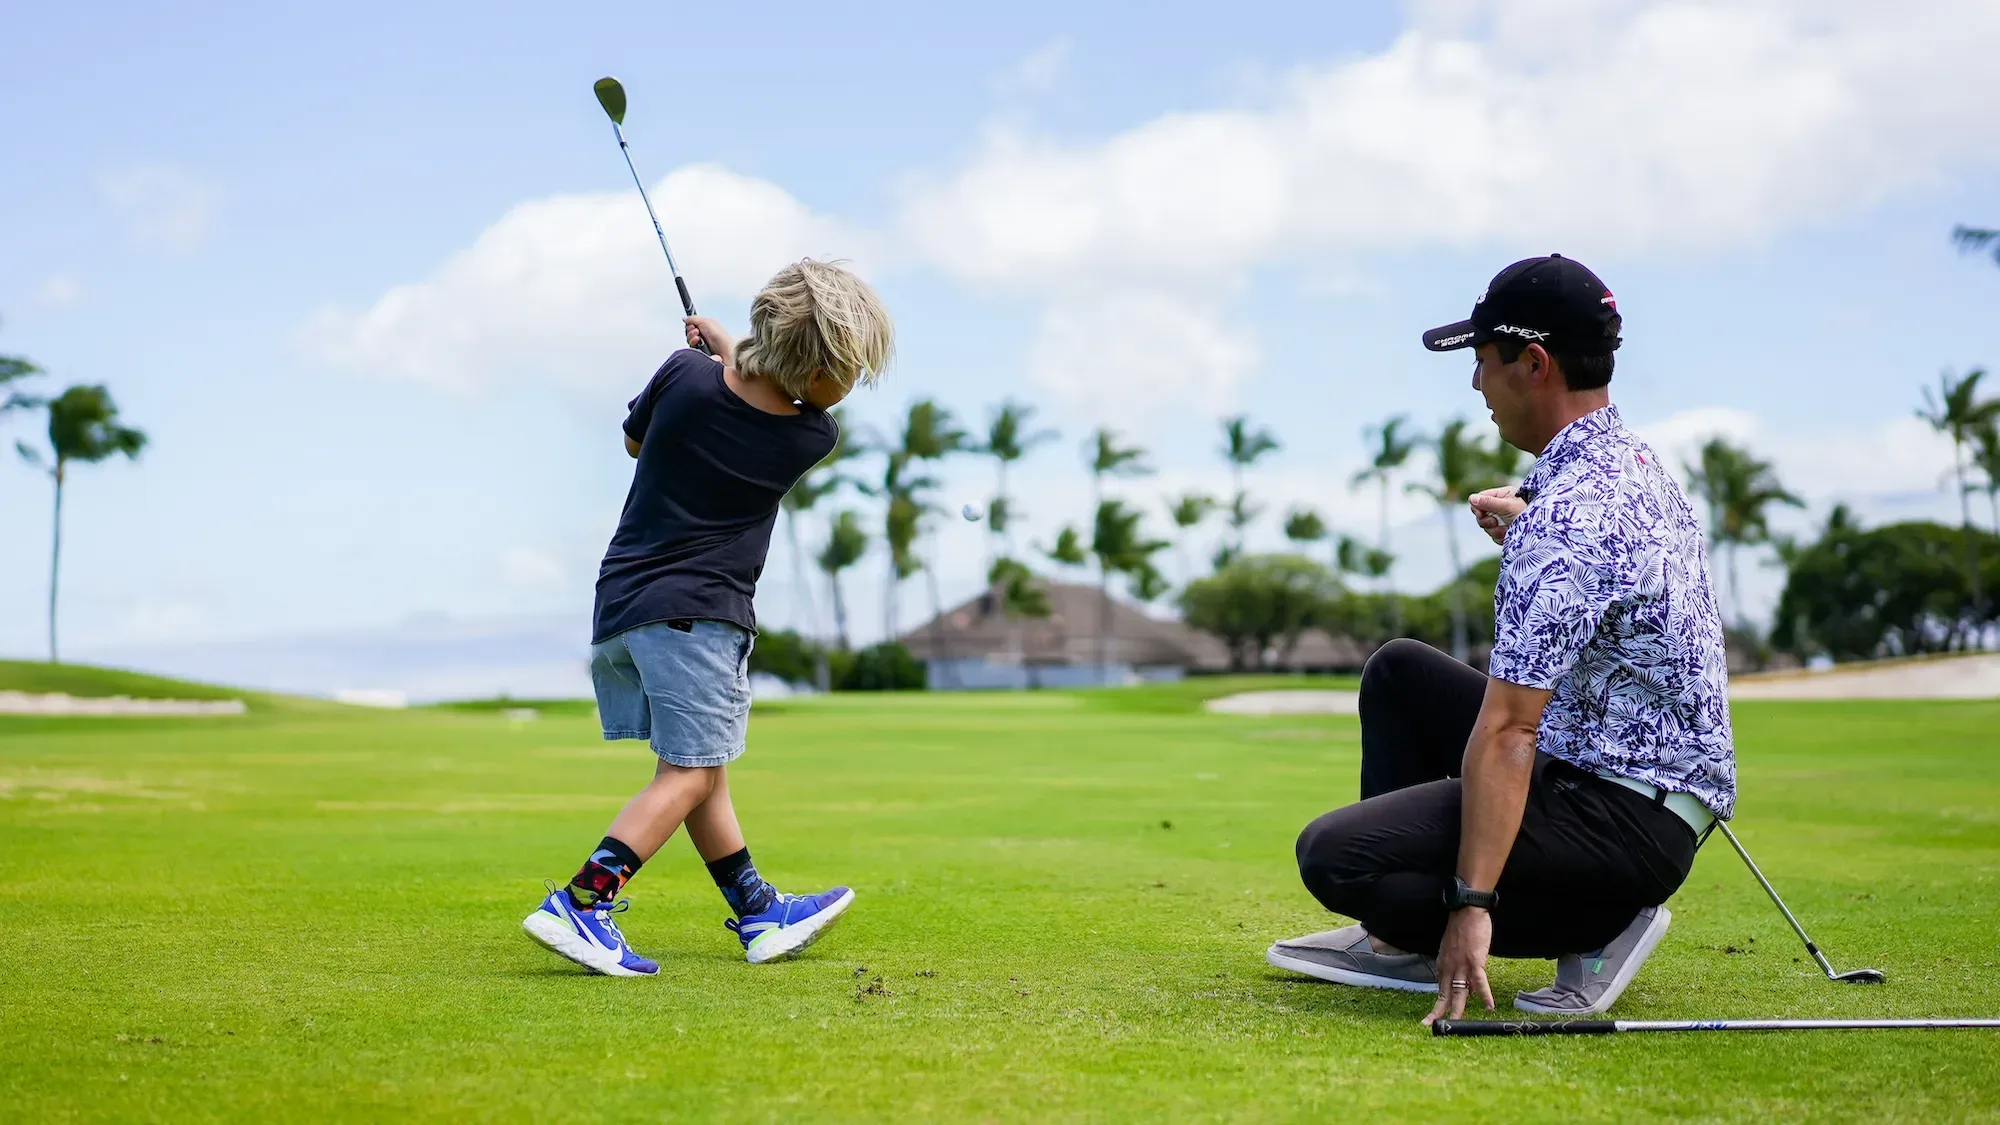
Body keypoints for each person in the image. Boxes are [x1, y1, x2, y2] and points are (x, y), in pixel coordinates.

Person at [1267, 254, 1733, 1023]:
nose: (1478, 384)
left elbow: (1511, 730)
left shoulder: (1567, 521)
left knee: (1337, 857)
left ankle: (1600, 920)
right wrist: (1530, 532)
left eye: (1484, 361)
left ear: (1535, 363)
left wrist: (1470, 902)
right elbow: (1611, 574)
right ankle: (1398, 940)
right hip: (1620, 770)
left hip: (1625, 819)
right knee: (1400, 673)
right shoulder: (1627, 461)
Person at [522, 259, 893, 976]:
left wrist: (717, 356)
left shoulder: (680, 376)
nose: (853, 385)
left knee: (701, 768)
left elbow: (637, 442)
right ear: (817, 373)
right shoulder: (812, 438)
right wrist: (729, 349)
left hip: (624, 608)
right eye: (850, 370)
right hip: (700, 618)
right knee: (690, 774)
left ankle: (756, 910)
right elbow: (774, 403)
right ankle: (582, 902)